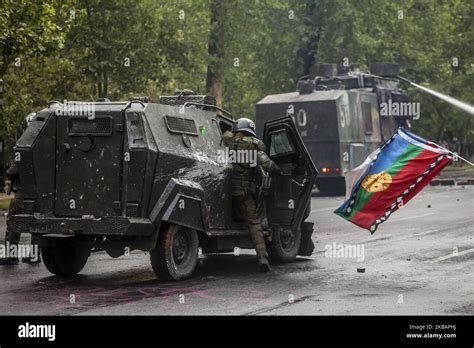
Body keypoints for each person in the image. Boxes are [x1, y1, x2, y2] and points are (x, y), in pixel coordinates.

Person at [223, 118, 282, 272]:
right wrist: (280, 171)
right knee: (254, 223)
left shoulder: (224, 140)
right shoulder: (253, 146)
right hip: (242, 193)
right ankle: (262, 257)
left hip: (221, 192)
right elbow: (268, 166)